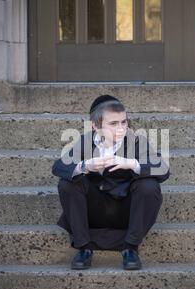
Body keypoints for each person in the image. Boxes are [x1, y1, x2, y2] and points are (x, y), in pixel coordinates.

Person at [52, 95, 170, 270]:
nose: (121, 128)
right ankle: (84, 248)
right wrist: (84, 166)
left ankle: (130, 247)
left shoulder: (137, 141)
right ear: (96, 125)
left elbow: (163, 169)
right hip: (95, 210)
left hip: (126, 210)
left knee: (149, 186)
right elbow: (59, 166)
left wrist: (131, 164)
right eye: (113, 124)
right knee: (68, 183)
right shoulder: (85, 141)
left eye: (124, 122)